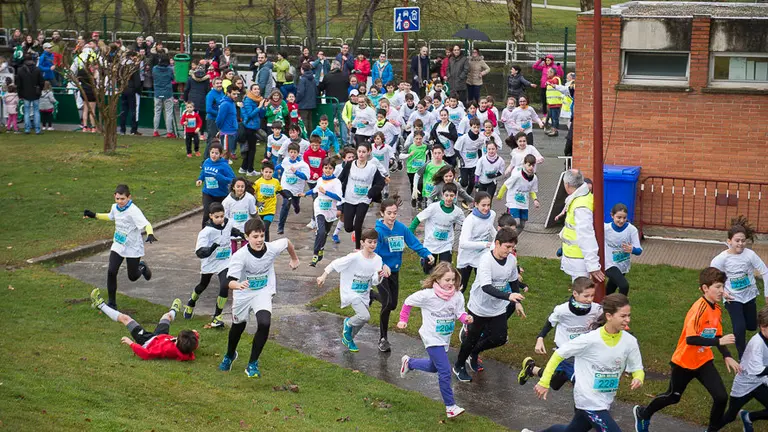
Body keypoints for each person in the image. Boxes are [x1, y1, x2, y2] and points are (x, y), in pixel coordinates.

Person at [634, 267, 740, 432]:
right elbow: (691, 339)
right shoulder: (698, 309)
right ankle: (643, 413)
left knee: (721, 397)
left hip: (703, 360)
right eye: (718, 287)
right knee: (673, 397)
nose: (721, 291)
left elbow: (717, 334)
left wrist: (727, 355)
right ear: (705, 288)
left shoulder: (716, 309)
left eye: (723, 286)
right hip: (684, 362)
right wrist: (719, 342)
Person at [532, 294, 643, 432]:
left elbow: (637, 367)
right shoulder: (590, 340)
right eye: (623, 316)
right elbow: (558, 354)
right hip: (588, 400)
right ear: (609, 316)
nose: (628, 320)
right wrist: (544, 382)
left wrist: (638, 377)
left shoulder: (630, 341)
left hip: (605, 399)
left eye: (629, 315)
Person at [219, 218, 300, 377]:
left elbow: (287, 242)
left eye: (262, 235)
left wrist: (294, 258)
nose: (259, 240)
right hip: (243, 293)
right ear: (247, 237)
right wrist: (238, 285)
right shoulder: (240, 256)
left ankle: (252, 364)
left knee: (264, 323)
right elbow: (228, 282)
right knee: (238, 326)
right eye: (255, 236)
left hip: (263, 291)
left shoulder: (271, 248)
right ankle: (229, 355)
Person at [398, 262, 472, 419]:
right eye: (447, 280)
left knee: (434, 367)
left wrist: (466, 319)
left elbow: (460, 313)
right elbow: (408, 302)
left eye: (453, 280)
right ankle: (450, 407)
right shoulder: (427, 295)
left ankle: (410, 363)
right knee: (445, 371)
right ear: (437, 279)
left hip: (444, 338)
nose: (451, 283)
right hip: (431, 337)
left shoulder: (457, 295)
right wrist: (403, 320)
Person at [453, 227, 525, 382]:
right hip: (479, 307)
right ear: (497, 243)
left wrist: (517, 302)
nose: (510, 251)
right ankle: (459, 365)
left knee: (500, 338)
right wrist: (509, 296)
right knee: (471, 338)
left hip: (497, 307)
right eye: (507, 247)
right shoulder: (486, 260)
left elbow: (513, 280)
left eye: (513, 248)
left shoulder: (511, 260)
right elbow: (486, 287)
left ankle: (474, 352)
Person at [517, 277, 602, 390]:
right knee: (580, 381)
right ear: (575, 293)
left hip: (584, 350)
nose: (590, 299)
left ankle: (531, 369)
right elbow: (550, 322)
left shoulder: (597, 310)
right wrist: (540, 338)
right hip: (565, 351)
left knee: (555, 383)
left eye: (592, 296)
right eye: (586, 296)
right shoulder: (562, 310)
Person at [83, 184, 156, 309]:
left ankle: (142, 267)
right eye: (117, 198)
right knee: (111, 271)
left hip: (133, 247)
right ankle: (112, 303)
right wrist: (94, 215)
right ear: (114, 197)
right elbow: (110, 216)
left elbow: (146, 224)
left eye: (123, 199)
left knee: (132, 277)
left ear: (129, 197)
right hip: (118, 244)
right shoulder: (115, 207)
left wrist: (150, 234)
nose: (120, 201)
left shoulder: (133, 210)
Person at [317, 228, 386, 352]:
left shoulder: (378, 260)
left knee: (361, 320)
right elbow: (335, 264)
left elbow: (375, 281)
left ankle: (348, 339)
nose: (373, 245)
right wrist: (323, 276)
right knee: (364, 316)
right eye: (370, 242)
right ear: (362, 243)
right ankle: (348, 323)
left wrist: (380, 275)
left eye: (375, 242)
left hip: (364, 293)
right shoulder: (354, 257)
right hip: (351, 292)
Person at [711, 218, 768, 359]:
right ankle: (743, 357)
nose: (740, 244)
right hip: (732, 298)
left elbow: (765, 271)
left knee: (751, 325)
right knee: (740, 328)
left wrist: (767, 294)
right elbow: (711, 276)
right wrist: (723, 292)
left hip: (749, 296)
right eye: (737, 240)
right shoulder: (721, 259)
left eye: (743, 240)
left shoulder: (750, 255)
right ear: (729, 241)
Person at [90, 289, 198, 361]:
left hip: (147, 340)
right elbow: (193, 343)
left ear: (178, 344)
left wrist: (131, 344)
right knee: (167, 316)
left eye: (176, 339)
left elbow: (147, 354)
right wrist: (194, 335)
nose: (176, 338)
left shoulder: (164, 349)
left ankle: (100, 304)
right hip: (161, 337)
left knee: (125, 318)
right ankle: (174, 310)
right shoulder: (186, 347)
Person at [184, 202, 244, 327]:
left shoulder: (227, 223)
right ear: (211, 216)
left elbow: (231, 231)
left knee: (225, 286)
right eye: (217, 217)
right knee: (203, 285)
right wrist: (211, 248)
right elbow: (199, 252)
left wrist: (242, 234)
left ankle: (217, 316)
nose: (220, 219)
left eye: (222, 216)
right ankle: (191, 302)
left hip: (225, 261)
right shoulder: (206, 232)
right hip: (210, 263)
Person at [712, 305, 768, 432]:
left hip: (760, 383)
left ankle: (748, 417)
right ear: (763, 327)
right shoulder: (757, 344)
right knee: (730, 416)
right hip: (745, 384)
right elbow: (758, 371)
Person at [338, 142, 386, 249]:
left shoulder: (372, 167)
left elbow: (380, 183)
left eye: (364, 152)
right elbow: (340, 178)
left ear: (369, 152)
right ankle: (357, 230)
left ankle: (358, 248)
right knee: (348, 227)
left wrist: (370, 193)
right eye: (359, 151)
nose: (361, 154)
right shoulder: (350, 164)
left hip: (364, 199)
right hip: (349, 198)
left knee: (358, 223)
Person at [410, 183, 465, 275]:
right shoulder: (433, 207)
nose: (449, 198)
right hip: (431, 243)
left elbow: (466, 224)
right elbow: (418, 218)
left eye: (451, 196)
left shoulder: (458, 212)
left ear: (455, 196)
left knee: (445, 270)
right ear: (442, 195)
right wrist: (409, 233)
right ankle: (424, 261)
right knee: (429, 271)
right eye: (446, 195)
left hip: (446, 244)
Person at [560, 169, 603, 283]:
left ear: (567, 185)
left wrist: (592, 265)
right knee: (580, 290)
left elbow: (586, 234)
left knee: (582, 291)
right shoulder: (582, 198)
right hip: (577, 257)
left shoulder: (580, 206)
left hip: (579, 259)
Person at [305, 157, 343, 266]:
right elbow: (315, 189)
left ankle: (321, 248)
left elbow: (339, 197)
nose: (327, 170)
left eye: (330, 168)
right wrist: (305, 194)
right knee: (320, 231)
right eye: (326, 168)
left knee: (325, 233)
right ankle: (315, 255)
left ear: (333, 169)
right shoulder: (320, 179)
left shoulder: (336, 182)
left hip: (331, 210)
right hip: (319, 209)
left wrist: (326, 192)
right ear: (322, 168)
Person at [457, 192, 497, 293]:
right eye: (483, 205)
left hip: (481, 255)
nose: (486, 208)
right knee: (461, 287)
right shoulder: (470, 220)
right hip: (466, 256)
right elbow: (463, 243)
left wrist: (498, 239)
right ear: (476, 204)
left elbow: (490, 227)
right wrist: (485, 244)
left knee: (482, 284)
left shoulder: (492, 214)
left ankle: (477, 301)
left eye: (488, 205)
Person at [603, 203, 642, 296]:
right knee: (624, 286)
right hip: (608, 264)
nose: (621, 221)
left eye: (624, 218)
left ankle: (603, 302)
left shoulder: (631, 230)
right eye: (619, 217)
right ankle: (621, 304)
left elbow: (639, 250)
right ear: (612, 215)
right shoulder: (605, 228)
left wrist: (632, 249)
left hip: (622, 264)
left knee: (610, 289)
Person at [497, 154, 540, 233]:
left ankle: (512, 238)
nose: (531, 167)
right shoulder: (517, 175)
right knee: (516, 222)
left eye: (533, 165)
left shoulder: (534, 178)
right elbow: (506, 185)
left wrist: (535, 199)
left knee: (522, 225)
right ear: (524, 164)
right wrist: (500, 195)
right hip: (513, 202)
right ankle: (504, 235)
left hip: (524, 203)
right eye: (529, 165)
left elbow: (532, 190)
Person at [196, 143, 236, 228]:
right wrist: (200, 179)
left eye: (216, 153)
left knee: (221, 215)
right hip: (208, 193)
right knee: (207, 213)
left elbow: (233, 179)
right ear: (209, 152)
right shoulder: (207, 162)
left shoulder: (224, 165)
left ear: (220, 154)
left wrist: (220, 178)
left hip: (221, 195)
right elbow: (203, 171)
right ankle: (204, 232)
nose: (214, 155)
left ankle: (222, 231)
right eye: (212, 152)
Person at [276, 143, 310, 235]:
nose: (292, 154)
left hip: (296, 189)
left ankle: (296, 207)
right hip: (286, 187)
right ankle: (280, 227)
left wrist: (296, 172)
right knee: (286, 203)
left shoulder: (303, 165)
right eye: (291, 152)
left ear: (298, 153)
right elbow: (281, 166)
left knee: (295, 202)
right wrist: (271, 169)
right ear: (288, 152)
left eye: (295, 152)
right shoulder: (286, 160)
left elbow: (306, 177)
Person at [222, 177, 258, 253]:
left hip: (246, 229)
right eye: (238, 186)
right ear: (233, 187)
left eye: (242, 187)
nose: (240, 189)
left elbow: (253, 213)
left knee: (247, 251)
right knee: (232, 251)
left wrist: (259, 224)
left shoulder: (250, 198)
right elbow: (225, 218)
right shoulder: (226, 201)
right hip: (232, 230)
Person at [15, 54, 44, 135]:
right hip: (35, 92)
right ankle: (37, 129)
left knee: (26, 111)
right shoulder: (37, 69)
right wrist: (39, 89)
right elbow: (42, 82)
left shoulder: (20, 70)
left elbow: (18, 84)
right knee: (36, 111)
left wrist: (20, 94)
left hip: (25, 93)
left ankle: (27, 129)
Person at [412, 145, 447, 211]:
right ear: (432, 154)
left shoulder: (446, 165)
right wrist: (415, 187)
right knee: (429, 212)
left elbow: (451, 178)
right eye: (435, 153)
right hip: (429, 193)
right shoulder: (428, 164)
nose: (437, 155)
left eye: (439, 153)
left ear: (443, 153)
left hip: (441, 194)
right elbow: (417, 175)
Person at [253, 162, 282, 241]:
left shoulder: (276, 182)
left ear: (273, 172)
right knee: (260, 230)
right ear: (262, 171)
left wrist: (288, 197)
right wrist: (257, 202)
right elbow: (251, 194)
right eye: (266, 172)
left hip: (270, 210)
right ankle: (260, 243)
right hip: (259, 211)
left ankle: (267, 245)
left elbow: (280, 190)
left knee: (265, 227)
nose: (268, 174)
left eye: (270, 172)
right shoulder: (257, 182)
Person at [454, 117, 484, 192]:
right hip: (464, 162)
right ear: (470, 127)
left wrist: (480, 160)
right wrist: (460, 159)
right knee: (464, 183)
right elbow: (456, 149)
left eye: (478, 127)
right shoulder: (463, 138)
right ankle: (460, 179)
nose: (476, 129)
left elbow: (479, 150)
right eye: (474, 127)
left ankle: (467, 197)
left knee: (472, 183)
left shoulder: (480, 139)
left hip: (474, 163)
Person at [151, 54, 175, 138]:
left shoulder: (154, 68)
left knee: (157, 112)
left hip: (157, 93)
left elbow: (153, 77)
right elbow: (173, 78)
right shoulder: (170, 69)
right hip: (168, 93)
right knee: (169, 113)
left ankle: (155, 131)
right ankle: (169, 132)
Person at [119, 51, 142, 136]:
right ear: (132, 57)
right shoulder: (133, 67)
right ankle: (133, 129)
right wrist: (138, 91)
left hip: (123, 89)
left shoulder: (121, 66)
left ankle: (122, 129)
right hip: (132, 90)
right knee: (133, 110)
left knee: (123, 110)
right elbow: (137, 82)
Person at [216, 85, 240, 161]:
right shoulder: (225, 104)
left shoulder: (232, 102)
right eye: (234, 94)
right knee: (225, 154)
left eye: (237, 94)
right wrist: (221, 129)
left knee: (228, 153)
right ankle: (220, 167)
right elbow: (219, 119)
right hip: (226, 132)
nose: (236, 96)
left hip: (232, 131)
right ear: (228, 93)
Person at [296, 63, 317, 131]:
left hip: (303, 104)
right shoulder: (313, 79)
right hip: (312, 104)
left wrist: (296, 100)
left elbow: (300, 92)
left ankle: (305, 136)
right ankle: (310, 135)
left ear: (302, 69)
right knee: (310, 121)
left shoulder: (303, 79)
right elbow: (316, 90)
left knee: (304, 121)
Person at [545, 68, 564, 137]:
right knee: (552, 118)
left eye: (548, 72)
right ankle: (553, 129)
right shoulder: (551, 80)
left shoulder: (556, 78)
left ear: (552, 73)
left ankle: (555, 131)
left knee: (555, 118)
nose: (547, 73)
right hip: (551, 103)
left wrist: (548, 82)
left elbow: (554, 82)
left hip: (556, 103)